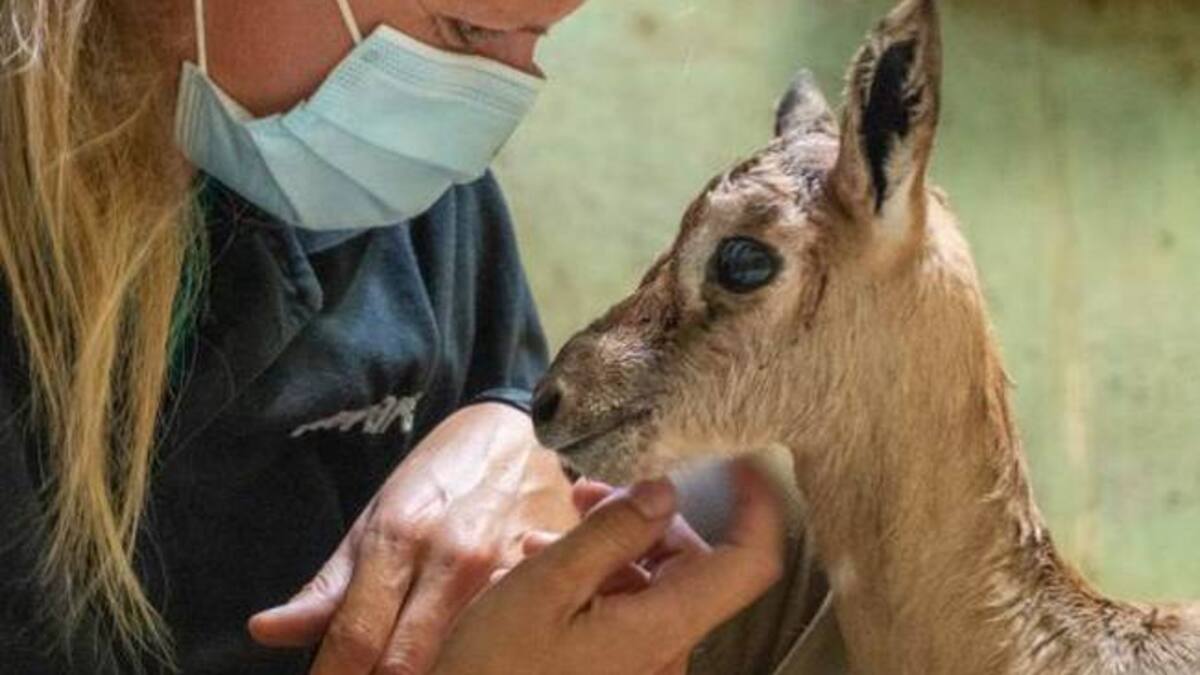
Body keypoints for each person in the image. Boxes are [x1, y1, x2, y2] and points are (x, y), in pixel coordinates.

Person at [0, 1, 841, 674]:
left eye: (537, 42)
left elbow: (514, 394)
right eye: (466, 31)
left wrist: (510, 433)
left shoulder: (401, 196)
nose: (480, 133)